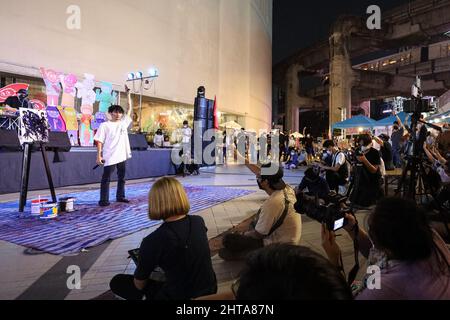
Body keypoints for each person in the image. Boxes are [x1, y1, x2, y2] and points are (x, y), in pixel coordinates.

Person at [321, 197, 450, 300]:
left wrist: (334, 261)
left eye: (372, 234)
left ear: (387, 248)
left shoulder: (387, 284)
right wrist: (353, 230)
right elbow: (375, 255)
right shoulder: (427, 236)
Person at [110, 177, 217, 300]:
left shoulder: (153, 240)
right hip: (210, 290)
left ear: (155, 202)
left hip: (179, 296)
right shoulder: (198, 221)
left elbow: (139, 285)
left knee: (118, 281)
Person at [219, 163, 302, 261]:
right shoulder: (287, 189)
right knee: (244, 232)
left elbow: (259, 234)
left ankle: (252, 255)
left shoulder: (273, 202)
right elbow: (258, 171)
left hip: (279, 247)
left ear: (265, 182)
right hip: (289, 240)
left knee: (228, 241)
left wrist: (242, 234)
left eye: (259, 177)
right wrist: (244, 160)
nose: (257, 178)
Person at [94, 87, 132, 207]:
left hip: (122, 155)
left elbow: (130, 108)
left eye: (120, 112)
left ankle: (120, 196)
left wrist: (128, 94)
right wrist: (99, 155)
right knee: (106, 178)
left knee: (122, 177)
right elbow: (99, 141)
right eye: (115, 112)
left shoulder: (123, 123)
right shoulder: (105, 125)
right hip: (109, 155)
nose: (118, 114)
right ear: (110, 113)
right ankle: (103, 200)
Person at [349, 134, 383, 207]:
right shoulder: (358, 150)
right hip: (360, 178)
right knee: (353, 200)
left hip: (371, 179)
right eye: (359, 141)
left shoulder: (375, 152)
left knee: (365, 203)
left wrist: (364, 160)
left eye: (361, 141)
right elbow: (354, 163)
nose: (359, 143)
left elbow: (374, 170)